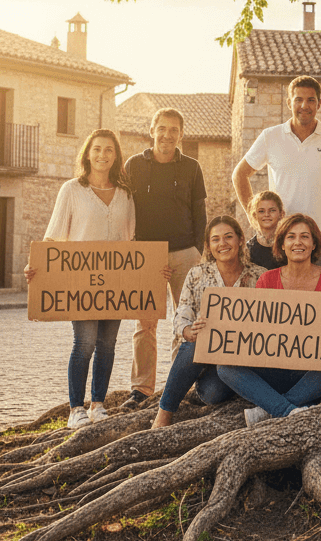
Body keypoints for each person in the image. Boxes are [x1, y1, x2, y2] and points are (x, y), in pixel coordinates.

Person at [24, 130, 145, 428]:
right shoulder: (71, 190)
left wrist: (150, 272)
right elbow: (54, 236)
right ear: (87, 154)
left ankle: (98, 404)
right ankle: (76, 408)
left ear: (116, 156)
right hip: (80, 283)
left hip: (115, 282)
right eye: (97, 149)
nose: (102, 155)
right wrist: (36, 265)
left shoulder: (126, 194)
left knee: (108, 344)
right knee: (85, 343)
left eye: (109, 150)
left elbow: (131, 243)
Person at [216, 213, 321, 424]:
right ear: (282, 245)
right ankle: (289, 411)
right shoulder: (268, 279)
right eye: (291, 237)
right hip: (272, 367)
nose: (298, 242)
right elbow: (256, 329)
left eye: (305, 236)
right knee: (224, 366)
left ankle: (269, 410)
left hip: (311, 372)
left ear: (314, 244)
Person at [233, 75, 321, 264]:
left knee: (320, 293)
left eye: (311, 100)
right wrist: (252, 215)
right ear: (289, 102)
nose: (304, 105)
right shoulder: (270, 137)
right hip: (281, 236)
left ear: (319, 104)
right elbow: (239, 175)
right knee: (278, 293)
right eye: (298, 99)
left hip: (320, 238)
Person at [123, 108, 207, 410]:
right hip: (146, 254)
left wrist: (199, 250)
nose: (167, 135)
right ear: (152, 130)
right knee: (144, 324)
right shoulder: (133, 165)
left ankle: (178, 384)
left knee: (183, 322)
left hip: (185, 252)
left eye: (173, 130)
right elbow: (122, 208)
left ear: (181, 135)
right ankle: (141, 389)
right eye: (162, 128)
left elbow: (200, 212)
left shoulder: (192, 167)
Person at [152, 216, 265, 428]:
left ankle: (249, 390)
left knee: (224, 384)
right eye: (215, 239)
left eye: (228, 237)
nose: (222, 244)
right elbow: (183, 310)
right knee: (211, 390)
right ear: (208, 246)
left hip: (244, 361)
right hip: (206, 362)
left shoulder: (260, 276)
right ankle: (164, 413)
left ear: (241, 240)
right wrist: (187, 330)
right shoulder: (197, 274)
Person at [245, 190, 285, 270]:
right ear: (255, 215)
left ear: (281, 214)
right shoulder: (248, 250)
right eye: (261, 211)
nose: (267, 215)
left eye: (272, 210)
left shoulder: (288, 244)